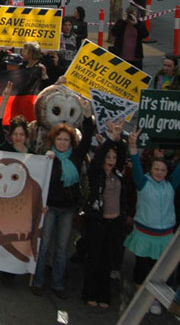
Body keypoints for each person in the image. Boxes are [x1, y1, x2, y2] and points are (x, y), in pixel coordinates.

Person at [30, 100, 95, 299]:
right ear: (53, 140)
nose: (62, 143)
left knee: (61, 248)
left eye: (66, 140)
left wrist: (87, 115)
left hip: (67, 209)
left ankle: (58, 284)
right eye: (59, 140)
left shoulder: (76, 156)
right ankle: (38, 281)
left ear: (71, 142)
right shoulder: (47, 158)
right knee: (44, 245)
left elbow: (88, 137)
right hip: (49, 208)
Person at [125, 127, 180, 315]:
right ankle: (141, 298)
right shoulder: (143, 182)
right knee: (141, 267)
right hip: (144, 235)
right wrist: (133, 145)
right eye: (156, 169)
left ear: (167, 172)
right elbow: (136, 166)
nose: (159, 172)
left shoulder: (171, 185)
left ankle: (154, 298)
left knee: (159, 272)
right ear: (150, 169)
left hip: (164, 237)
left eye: (163, 169)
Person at [81, 121, 126, 309]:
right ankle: (89, 293)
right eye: (108, 156)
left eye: (114, 157)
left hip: (113, 224)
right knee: (94, 259)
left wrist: (118, 138)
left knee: (107, 260)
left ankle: (103, 295)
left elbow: (123, 155)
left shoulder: (117, 174)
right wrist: (109, 140)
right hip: (97, 223)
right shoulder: (95, 173)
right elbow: (98, 157)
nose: (111, 160)